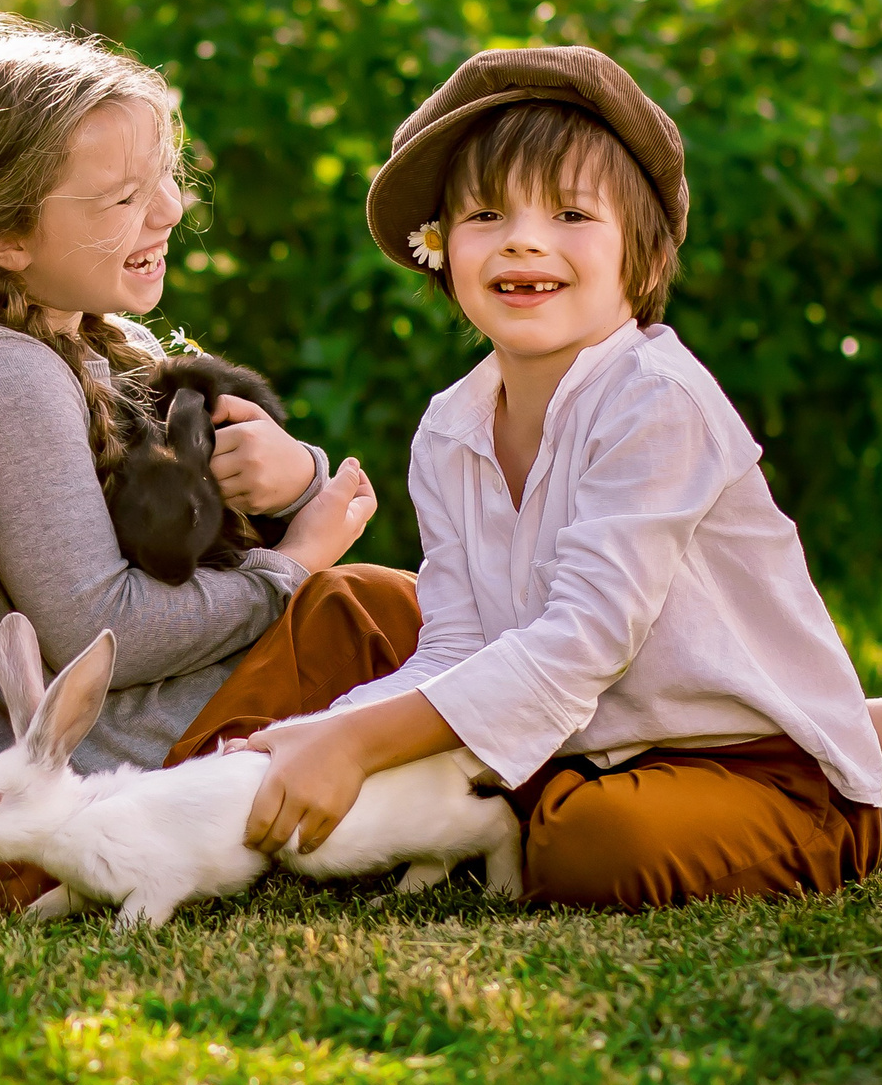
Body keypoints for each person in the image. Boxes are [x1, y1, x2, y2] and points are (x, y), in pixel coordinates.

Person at [225, 45, 882, 906]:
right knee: (357, 644)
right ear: (438, 250)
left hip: (743, 757)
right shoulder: (450, 429)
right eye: (486, 214)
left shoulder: (657, 400)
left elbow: (583, 642)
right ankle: (227, 787)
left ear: (644, 257)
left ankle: (860, 790)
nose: (524, 238)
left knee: (593, 848)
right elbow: (456, 648)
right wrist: (320, 735)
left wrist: (357, 747)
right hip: (578, 744)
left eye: (572, 213)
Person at [0, 18, 388, 801]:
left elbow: (219, 530)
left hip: (185, 711)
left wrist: (291, 479)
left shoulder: (101, 336)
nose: (168, 209)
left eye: (165, 176)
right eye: (125, 197)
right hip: (124, 760)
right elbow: (108, 633)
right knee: (377, 617)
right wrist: (293, 567)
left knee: (401, 619)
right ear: (7, 238)